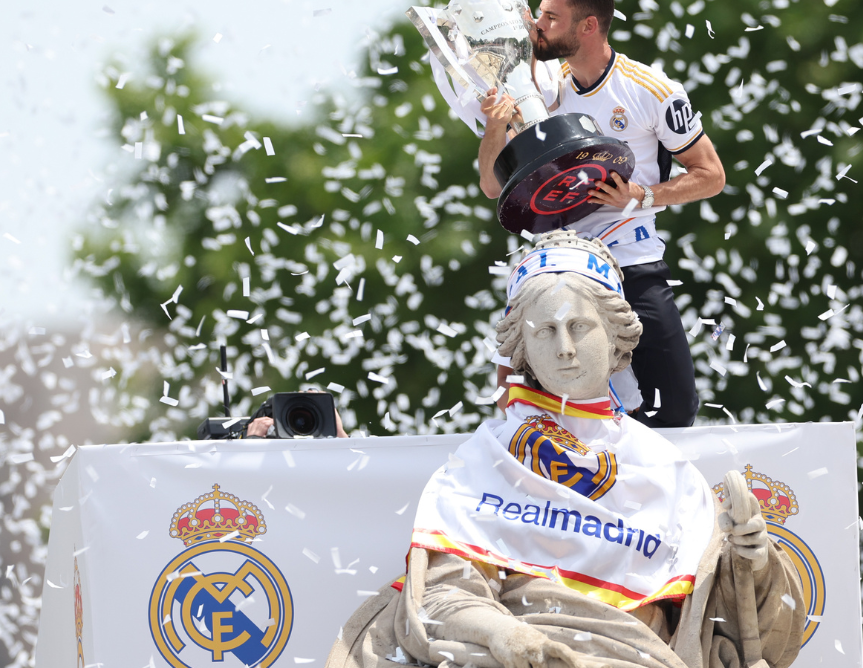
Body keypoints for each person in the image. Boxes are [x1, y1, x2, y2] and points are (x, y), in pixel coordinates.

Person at [325, 232, 804, 668]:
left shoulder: (667, 468)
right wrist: (502, 633)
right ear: (522, 349)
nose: (565, 349)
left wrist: (754, 562)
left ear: (616, 334)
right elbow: (440, 594)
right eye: (544, 332)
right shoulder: (485, 458)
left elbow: (731, 630)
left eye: (580, 327)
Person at [480, 0, 725, 429]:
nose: (537, 27)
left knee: (673, 411)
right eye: (539, 15)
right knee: (514, 400)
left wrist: (642, 194)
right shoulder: (541, 87)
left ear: (588, 26)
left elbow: (711, 175)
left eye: (551, 18)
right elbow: (495, 187)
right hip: (558, 264)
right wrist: (496, 125)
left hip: (632, 260)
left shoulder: (651, 90)